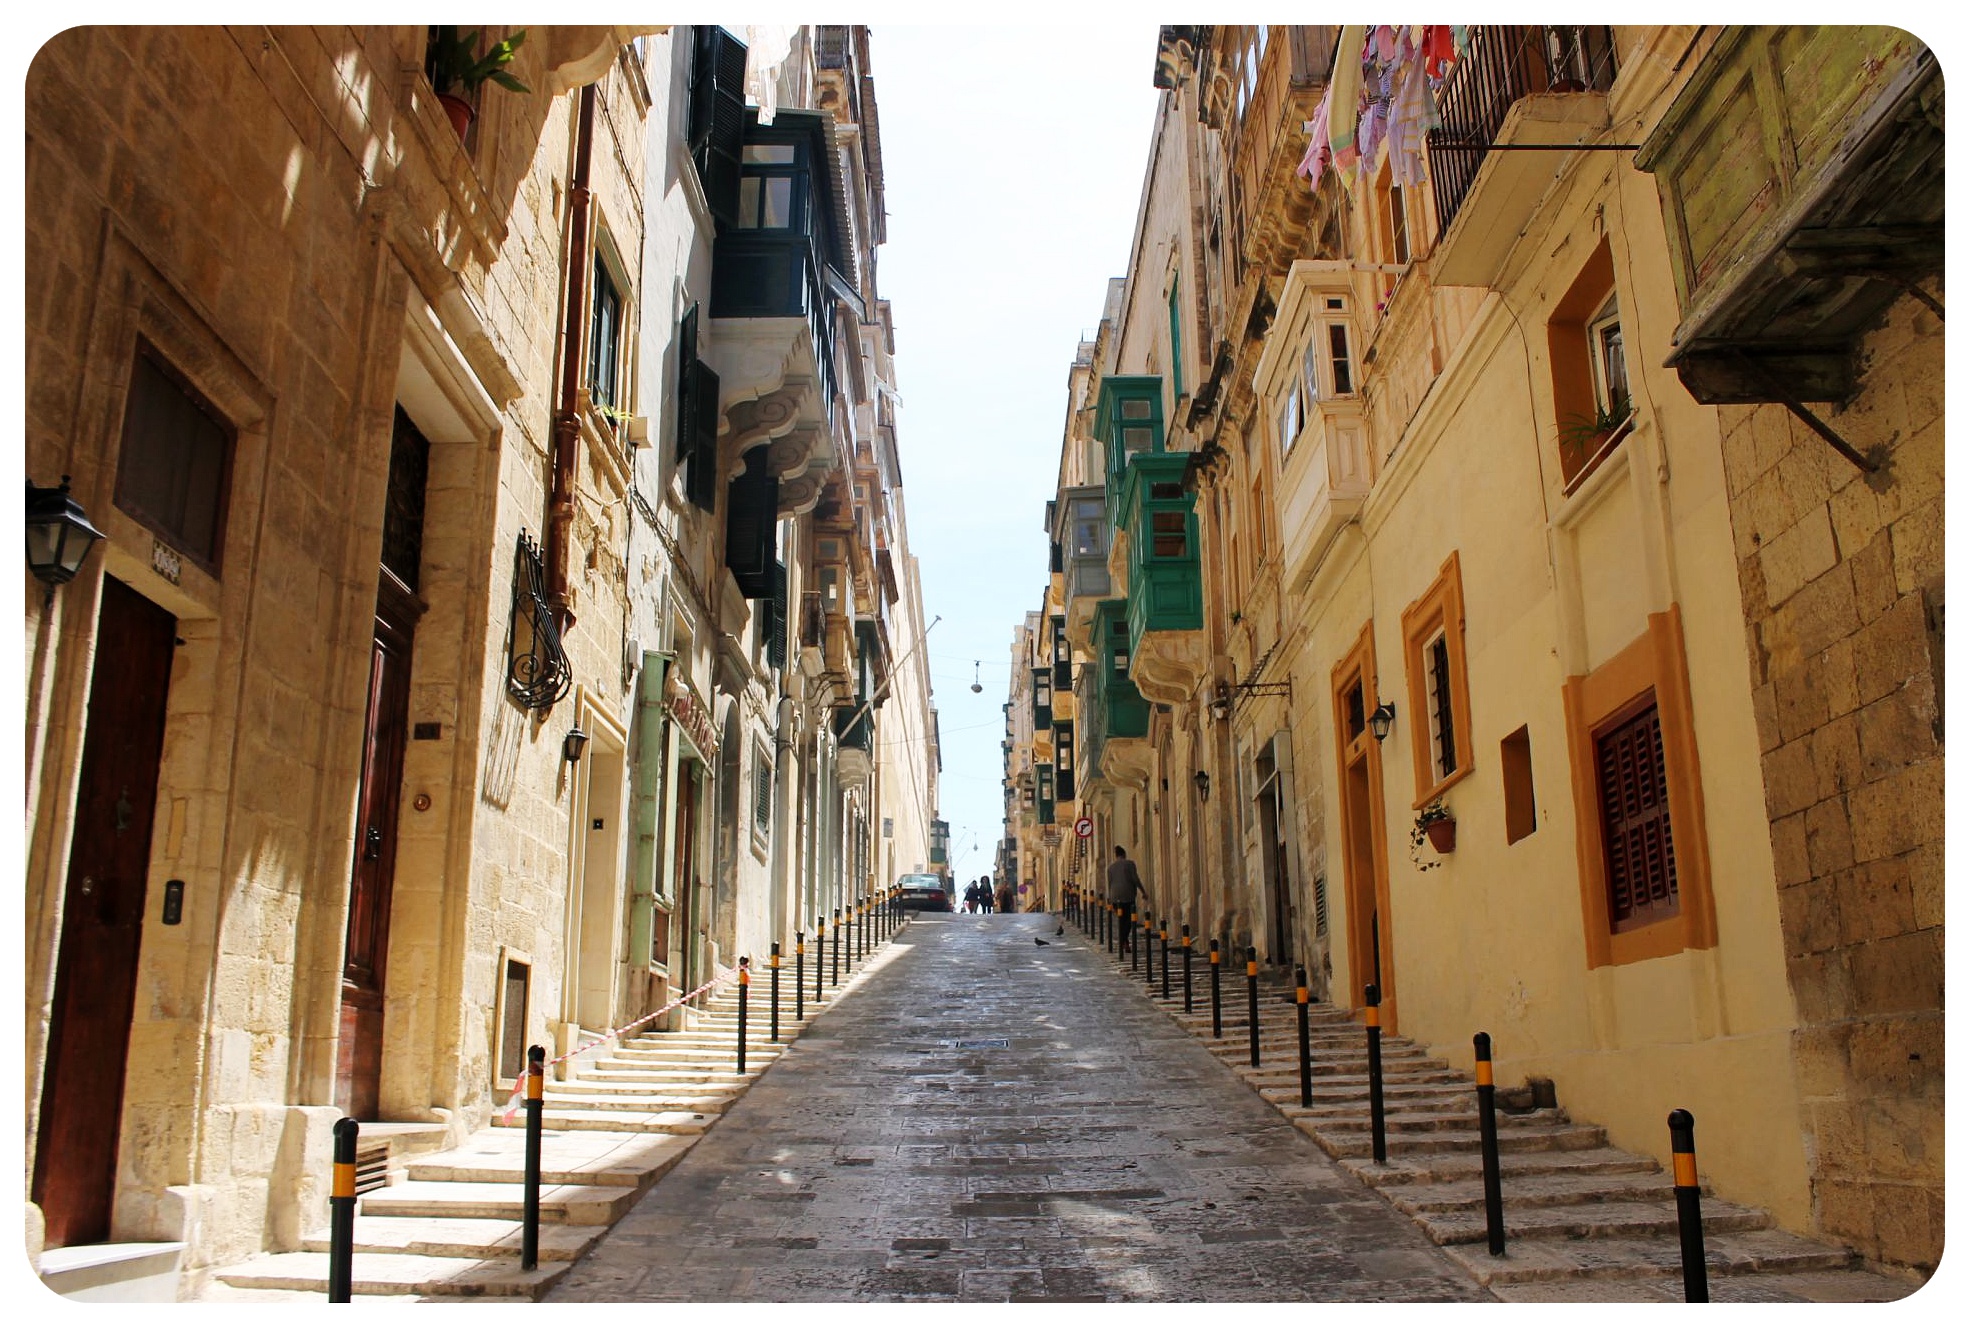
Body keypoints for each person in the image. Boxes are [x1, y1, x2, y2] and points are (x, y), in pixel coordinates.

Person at [1106, 845, 1149, 955]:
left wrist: (1110, 899)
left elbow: (1110, 883)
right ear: (1124, 854)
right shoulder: (1130, 864)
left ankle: (1124, 942)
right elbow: (1135, 879)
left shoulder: (1110, 868)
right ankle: (1123, 940)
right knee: (1129, 920)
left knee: (1121, 920)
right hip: (1127, 896)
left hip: (1115, 897)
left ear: (1116, 856)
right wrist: (1143, 891)